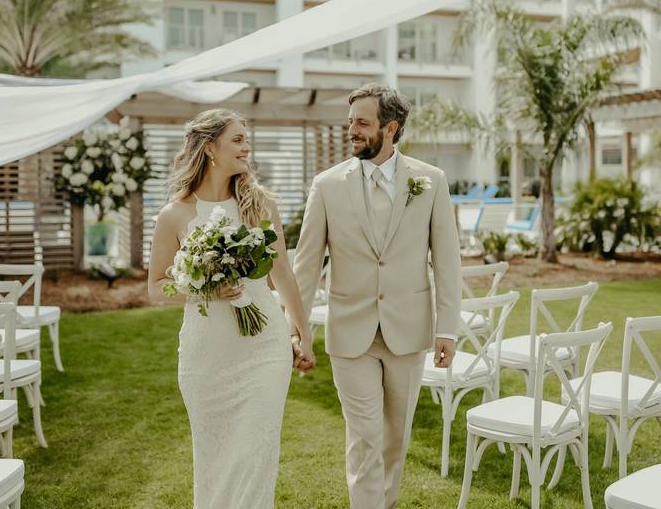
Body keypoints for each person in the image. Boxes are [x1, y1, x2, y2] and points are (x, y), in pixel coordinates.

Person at [293, 83, 462, 509]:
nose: (352, 130)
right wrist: (296, 329)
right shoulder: (327, 185)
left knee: (394, 441)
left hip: (408, 332)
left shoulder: (431, 181)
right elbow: (307, 265)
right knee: (364, 438)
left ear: (391, 128)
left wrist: (448, 329)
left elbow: (447, 262)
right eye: (350, 122)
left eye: (362, 123)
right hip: (351, 333)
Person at [147, 109, 314, 509]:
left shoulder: (261, 206)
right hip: (207, 356)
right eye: (238, 139)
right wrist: (203, 289)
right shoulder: (175, 214)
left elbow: (283, 277)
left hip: (264, 350)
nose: (247, 146)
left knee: (255, 458)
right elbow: (155, 288)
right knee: (215, 459)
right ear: (210, 148)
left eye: (246, 138)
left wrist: (302, 336)